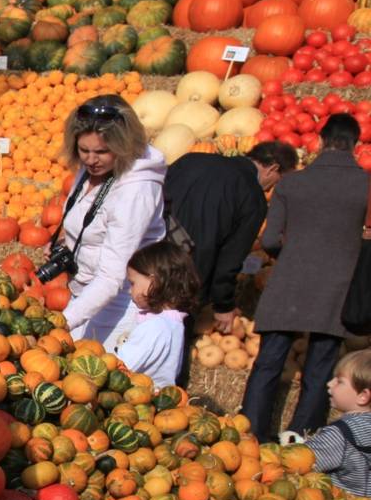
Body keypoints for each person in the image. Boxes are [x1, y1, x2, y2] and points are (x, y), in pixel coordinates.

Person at [242, 114, 370, 442]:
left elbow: (269, 240)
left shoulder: (291, 183)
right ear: (355, 144)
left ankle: (251, 435)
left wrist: (293, 257)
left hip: (288, 283)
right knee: (319, 369)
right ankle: (299, 440)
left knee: (268, 363)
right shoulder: (365, 184)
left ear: (321, 141)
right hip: (337, 288)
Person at [54, 95, 167, 349]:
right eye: (84, 150)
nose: (91, 160)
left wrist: (62, 321)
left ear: (124, 146)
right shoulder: (95, 169)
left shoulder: (136, 191)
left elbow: (112, 276)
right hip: (85, 295)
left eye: (102, 152)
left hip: (118, 305)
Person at [161, 142, 293, 336]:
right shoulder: (253, 198)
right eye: (279, 180)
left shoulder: (190, 160)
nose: (273, 187)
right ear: (272, 169)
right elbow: (231, 258)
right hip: (189, 278)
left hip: (150, 261)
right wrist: (223, 305)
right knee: (170, 344)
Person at [117, 240, 202, 389]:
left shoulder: (155, 327)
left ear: (153, 282)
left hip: (138, 399)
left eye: (133, 283)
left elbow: (121, 367)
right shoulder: (174, 323)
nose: (130, 290)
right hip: (157, 400)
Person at [311, 349, 371, 497]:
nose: (329, 383)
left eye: (339, 381)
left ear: (363, 396)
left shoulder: (339, 433)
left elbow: (305, 460)